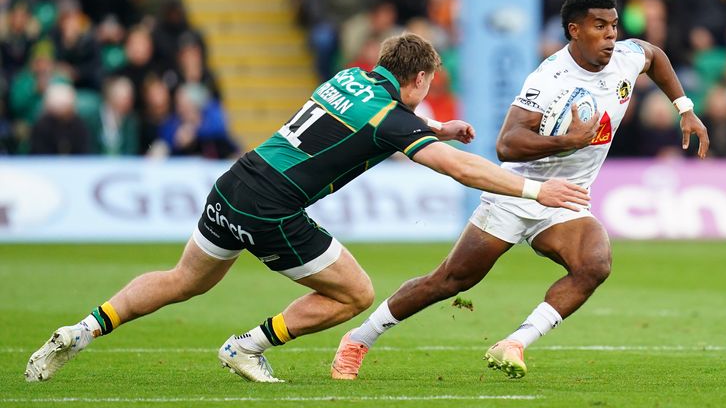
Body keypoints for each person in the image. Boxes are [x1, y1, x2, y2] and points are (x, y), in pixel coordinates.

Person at [24, 33, 590, 383]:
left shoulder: (348, 78)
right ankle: (248, 346)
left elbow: (362, 125)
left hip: (235, 182)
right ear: (418, 79)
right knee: (355, 294)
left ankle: (81, 330)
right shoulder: (390, 118)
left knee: (183, 280)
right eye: (428, 86)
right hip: (272, 208)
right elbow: (458, 167)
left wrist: (433, 126)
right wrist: (537, 191)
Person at [331, 0, 710, 381]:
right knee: (452, 280)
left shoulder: (627, 58)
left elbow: (655, 55)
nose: (611, 36)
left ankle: (514, 343)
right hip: (516, 190)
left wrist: (685, 109)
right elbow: (507, 143)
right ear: (574, 31)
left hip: (566, 198)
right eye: (600, 27)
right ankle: (359, 339)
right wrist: (568, 141)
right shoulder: (550, 78)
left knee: (594, 264)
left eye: (614, 26)